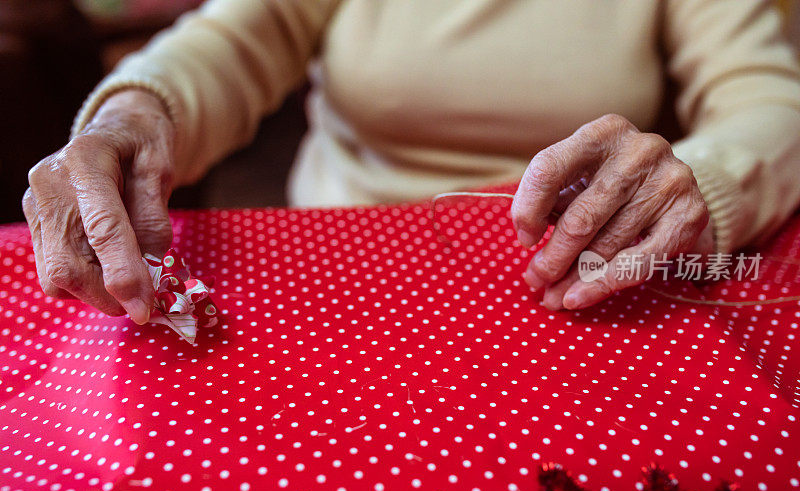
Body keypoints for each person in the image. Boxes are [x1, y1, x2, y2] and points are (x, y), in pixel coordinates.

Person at [21, 0, 800, 324]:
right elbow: (236, 37)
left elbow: (769, 100)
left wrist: (700, 180)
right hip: (331, 286)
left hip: (578, 287)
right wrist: (137, 110)